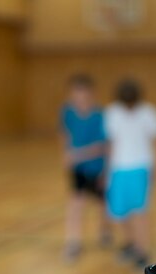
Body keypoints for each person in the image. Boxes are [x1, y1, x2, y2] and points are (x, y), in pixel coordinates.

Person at [104, 78, 156, 268]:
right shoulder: (112, 113)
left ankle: (142, 250)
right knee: (120, 212)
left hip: (140, 167)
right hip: (118, 168)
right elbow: (111, 143)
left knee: (139, 211)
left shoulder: (148, 112)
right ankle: (130, 243)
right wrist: (107, 170)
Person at [59, 73, 110, 263]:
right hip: (78, 169)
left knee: (102, 204)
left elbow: (103, 146)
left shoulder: (99, 115)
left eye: (83, 93)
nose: (79, 97)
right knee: (75, 203)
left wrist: (77, 154)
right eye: (75, 93)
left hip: (98, 168)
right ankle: (73, 242)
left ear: (91, 93)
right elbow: (65, 134)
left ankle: (104, 230)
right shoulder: (67, 112)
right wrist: (65, 154)